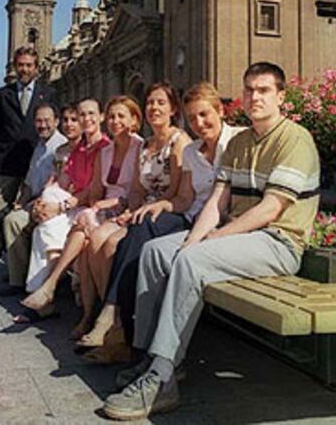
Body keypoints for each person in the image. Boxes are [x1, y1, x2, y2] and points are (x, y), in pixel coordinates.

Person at [102, 62, 321, 421]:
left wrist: (208, 243)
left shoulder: (295, 139)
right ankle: (150, 356)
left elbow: (270, 210)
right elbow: (217, 202)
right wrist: (194, 239)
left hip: (277, 242)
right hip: (240, 238)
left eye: (263, 90)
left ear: (281, 96)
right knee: (156, 252)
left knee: (192, 260)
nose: (254, 97)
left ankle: (162, 379)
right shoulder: (240, 142)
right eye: (249, 89)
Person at [97, 82, 244, 352]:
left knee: (139, 238)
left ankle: (118, 324)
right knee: (143, 225)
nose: (199, 123)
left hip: (219, 225)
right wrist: (161, 206)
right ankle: (119, 324)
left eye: (204, 115)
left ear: (220, 110)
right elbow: (185, 199)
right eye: (193, 118)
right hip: (190, 217)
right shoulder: (192, 152)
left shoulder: (237, 142)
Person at [74, 82, 190, 354]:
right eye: (150, 102)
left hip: (165, 211)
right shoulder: (146, 146)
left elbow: (174, 193)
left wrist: (141, 210)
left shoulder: (179, 141)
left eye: (161, 102)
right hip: (140, 212)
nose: (154, 107)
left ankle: (115, 321)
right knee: (99, 240)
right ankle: (110, 322)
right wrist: (129, 211)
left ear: (173, 108)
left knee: (114, 245)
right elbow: (137, 189)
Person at [19, 96, 143, 321]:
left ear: (100, 118)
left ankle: (47, 291)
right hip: (91, 207)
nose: (84, 119)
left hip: (107, 208)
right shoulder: (89, 150)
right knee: (44, 227)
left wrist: (63, 205)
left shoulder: (113, 146)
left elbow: (118, 192)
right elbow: (70, 183)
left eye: (90, 114)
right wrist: (45, 200)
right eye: (81, 115)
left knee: (50, 230)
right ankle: (45, 294)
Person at [0, 46, 57, 277]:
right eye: (21, 65)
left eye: (29, 65)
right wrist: (5, 145)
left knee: (35, 209)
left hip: (39, 160)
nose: (25, 69)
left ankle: (26, 260)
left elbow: (51, 122)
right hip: (9, 162)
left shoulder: (47, 93)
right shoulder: (2, 94)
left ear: (36, 68)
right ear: (15, 66)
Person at [1, 103, 81, 295]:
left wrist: (42, 203)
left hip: (56, 203)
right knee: (12, 217)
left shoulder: (60, 147)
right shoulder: (39, 146)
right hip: (39, 200)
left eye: (47, 120)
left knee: (20, 223)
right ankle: (20, 278)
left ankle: (32, 284)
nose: (42, 125)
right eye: (38, 121)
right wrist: (21, 203)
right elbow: (30, 182)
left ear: (56, 122)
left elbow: (64, 186)